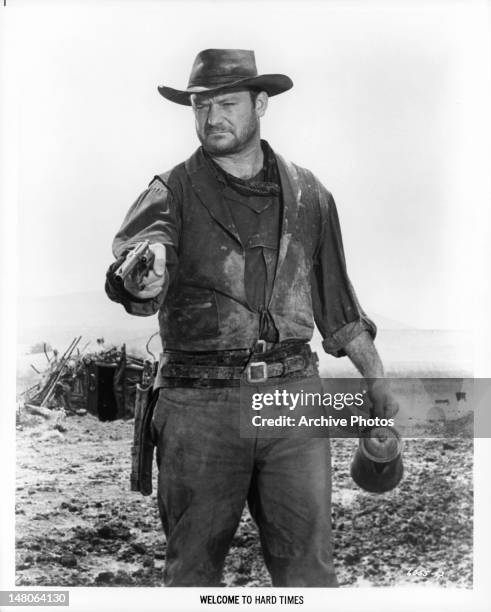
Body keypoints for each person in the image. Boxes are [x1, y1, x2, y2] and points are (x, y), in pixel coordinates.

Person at [105, 48, 398, 587]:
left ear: (261, 104)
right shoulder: (169, 192)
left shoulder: (311, 194)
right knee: (191, 571)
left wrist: (376, 382)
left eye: (226, 103)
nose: (211, 118)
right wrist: (141, 276)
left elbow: (340, 309)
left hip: (293, 400)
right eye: (200, 106)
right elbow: (138, 261)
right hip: (199, 404)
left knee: (309, 572)